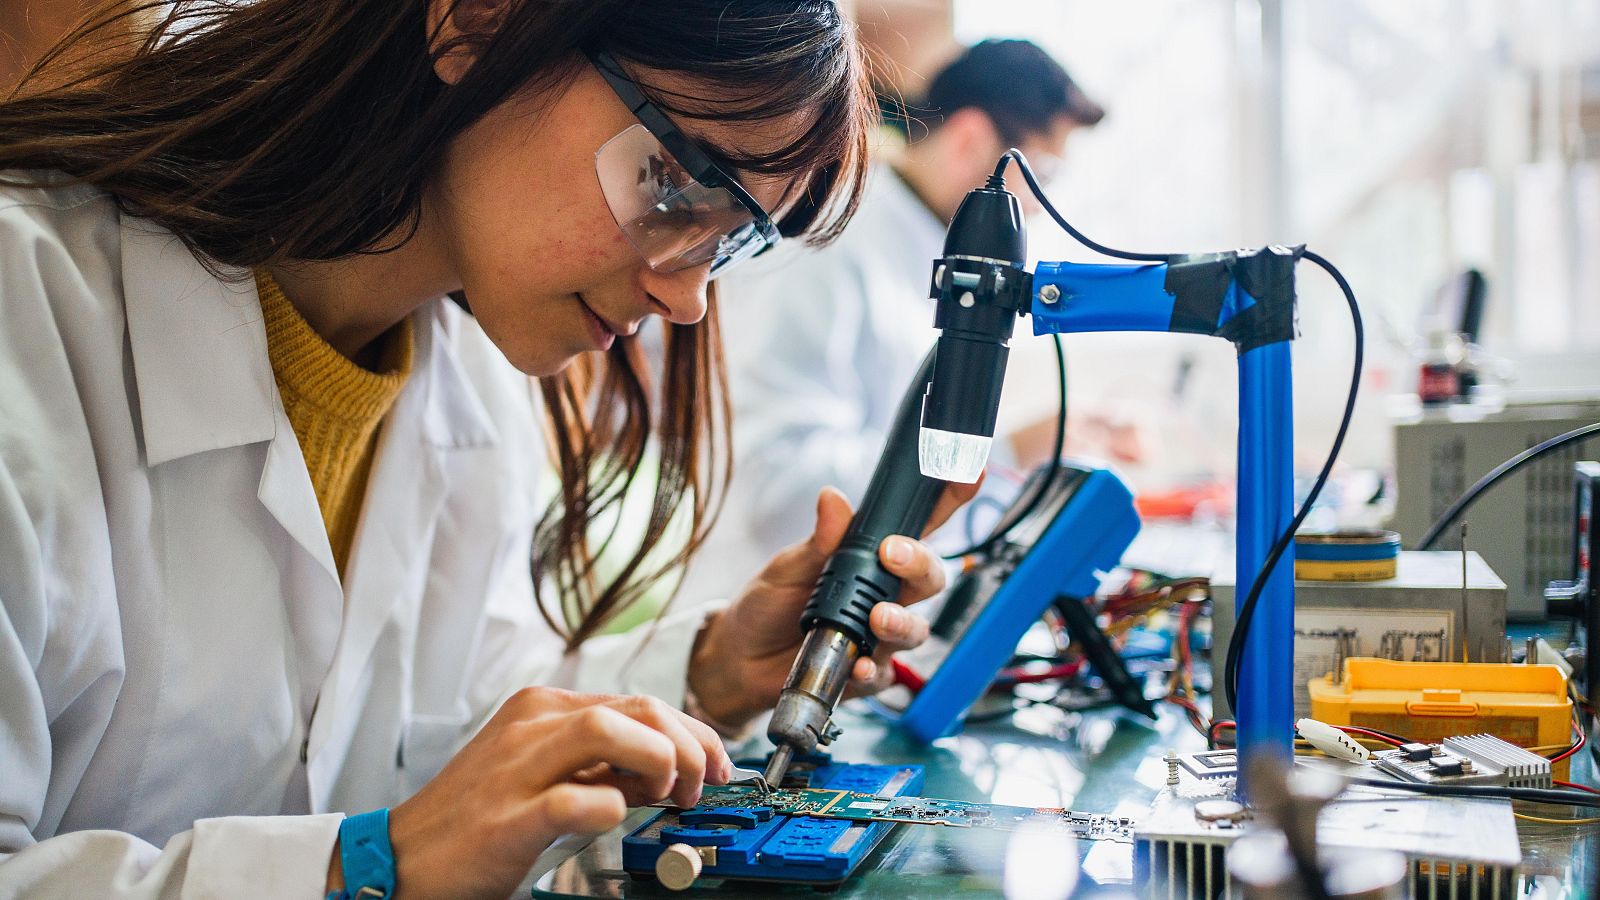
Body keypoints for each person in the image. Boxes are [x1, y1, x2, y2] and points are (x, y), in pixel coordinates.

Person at [0, 2, 975, 897]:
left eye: (729, 243)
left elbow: (465, 740)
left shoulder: (471, 389)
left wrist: (712, 674)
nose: (687, 301)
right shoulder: (27, 318)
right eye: (680, 182)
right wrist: (370, 866)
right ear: (475, 25)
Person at [681, 39, 1108, 603]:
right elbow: (778, 490)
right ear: (971, 142)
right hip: (760, 627)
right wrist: (1003, 452)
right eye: (1042, 178)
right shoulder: (827, 242)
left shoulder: (920, 248)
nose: (1034, 210)